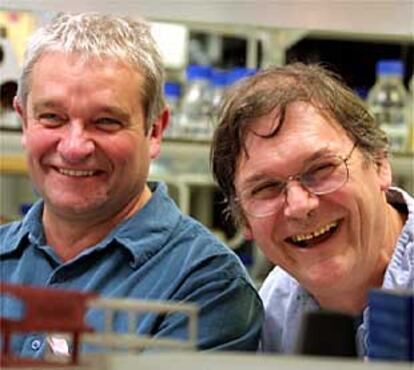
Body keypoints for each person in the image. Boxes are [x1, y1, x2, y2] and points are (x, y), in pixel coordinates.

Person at [0, 12, 264, 359]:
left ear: (155, 130)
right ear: (23, 121)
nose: (74, 147)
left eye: (105, 122)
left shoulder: (206, 287)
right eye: (52, 117)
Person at [210, 63, 414, 356]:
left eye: (321, 169)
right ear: (245, 222)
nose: (299, 206)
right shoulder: (274, 307)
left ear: (380, 164)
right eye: (265, 188)